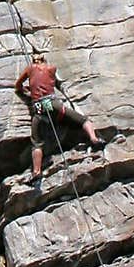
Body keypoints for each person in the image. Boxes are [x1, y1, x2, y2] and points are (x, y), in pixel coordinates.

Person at [14, 53, 105, 183]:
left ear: (34, 62)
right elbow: (52, 81)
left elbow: (17, 86)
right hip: (52, 103)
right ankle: (94, 139)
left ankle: (36, 172)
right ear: (44, 61)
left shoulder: (29, 69)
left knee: (36, 142)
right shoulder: (52, 69)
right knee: (83, 120)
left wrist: (27, 91)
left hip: (39, 105)